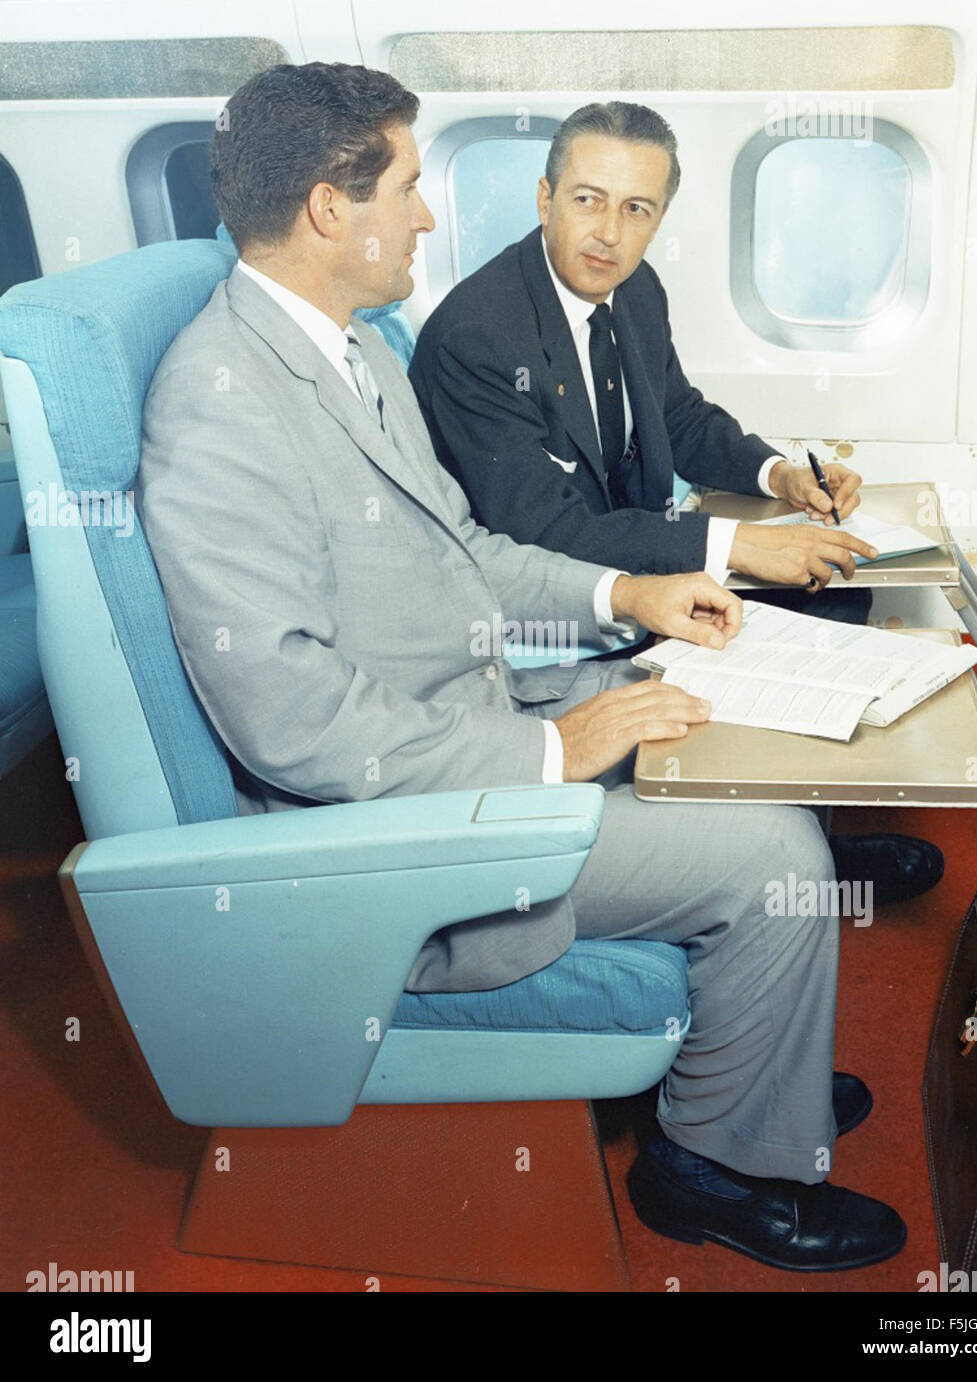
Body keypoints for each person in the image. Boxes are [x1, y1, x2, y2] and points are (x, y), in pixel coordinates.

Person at [136, 61, 905, 1271]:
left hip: (478, 701)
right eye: (405, 183)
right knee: (777, 859)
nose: (431, 213)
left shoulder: (352, 351)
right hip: (396, 831)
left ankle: (757, 1059)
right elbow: (288, 719)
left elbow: (472, 555)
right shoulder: (222, 403)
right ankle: (711, 1168)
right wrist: (550, 747)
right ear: (332, 210)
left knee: (723, 721)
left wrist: (627, 594)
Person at [410, 99, 944, 906]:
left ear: (658, 219)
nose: (608, 234)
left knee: (839, 593)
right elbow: (546, 532)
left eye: (636, 210)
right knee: (790, 600)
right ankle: (779, 860)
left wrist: (778, 477)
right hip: (546, 605)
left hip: (630, 547)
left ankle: (796, 828)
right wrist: (731, 547)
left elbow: (682, 417)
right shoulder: (476, 337)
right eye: (587, 199)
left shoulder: (633, 289)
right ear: (543, 197)